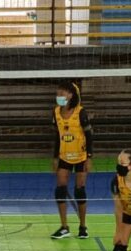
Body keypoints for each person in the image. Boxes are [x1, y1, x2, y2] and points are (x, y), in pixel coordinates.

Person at [50, 82, 93, 240]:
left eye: (62, 93)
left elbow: (89, 136)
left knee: (79, 191)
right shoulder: (55, 112)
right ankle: (64, 227)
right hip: (64, 157)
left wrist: (89, 157)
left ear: (71, 95)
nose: (59, 95)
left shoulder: (81, 112)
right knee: (60, 190)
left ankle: (83, 226)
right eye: (58, 92)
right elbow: (57, 136)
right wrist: (55, 157)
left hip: (80, 157)